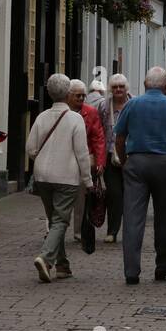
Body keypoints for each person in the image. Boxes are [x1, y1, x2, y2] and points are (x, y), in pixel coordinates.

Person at [114, 66, 166, 285]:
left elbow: (119, 137)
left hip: (136, 162)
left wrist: (125, 161)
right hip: (165, 162)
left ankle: (131, 271)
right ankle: (162, 266)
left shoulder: (132, 104)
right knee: (163, 218)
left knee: (133, 218)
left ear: (146, 84)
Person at [26, 74, 91, 283]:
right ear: (68, 94)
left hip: (42, 176)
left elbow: (30, 148)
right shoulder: (75, 118)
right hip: (66, 177)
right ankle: (45, 258)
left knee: (55, 220)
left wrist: (42, 159)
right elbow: (82, 153)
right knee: (61, 220)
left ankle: (63, 266)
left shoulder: (42, 117)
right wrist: (88, 181)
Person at [68, 79, 106, 245]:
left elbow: (98, 138)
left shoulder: (90, 112)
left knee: (80, 198)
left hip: (84, 160)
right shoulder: (63, 111)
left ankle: (78, 231)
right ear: (68, 96)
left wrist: (100, 162)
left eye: (83, 95)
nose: (82, 98)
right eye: (78, 95)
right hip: (64, 159)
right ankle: (53, 229)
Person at [94, 74, 132, 243]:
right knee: (114, 194)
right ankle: (113, 231)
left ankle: (130, 229)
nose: (118, 90)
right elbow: (99, 131)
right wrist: (99, 157)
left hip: (131, 155)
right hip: (110, 155)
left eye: (121, 87)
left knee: (131, 194)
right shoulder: (103, 105)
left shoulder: (134, 104)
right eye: (115, 87)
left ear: (126, 88)